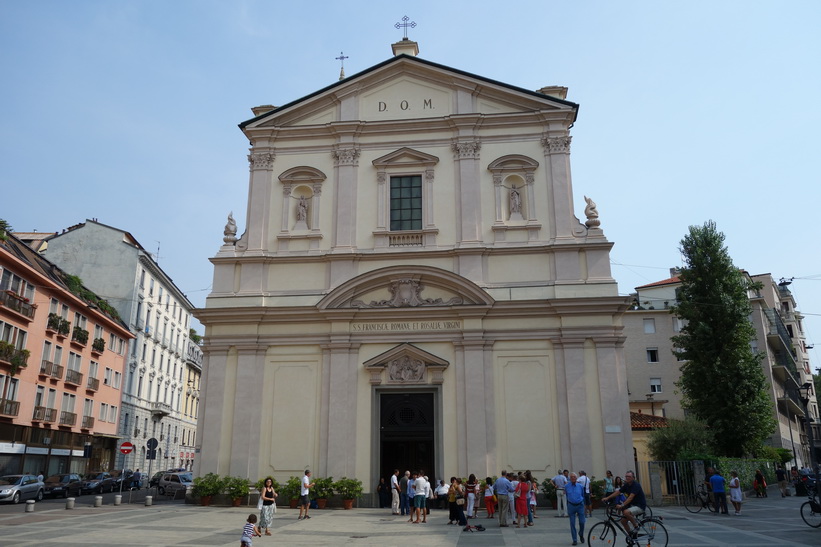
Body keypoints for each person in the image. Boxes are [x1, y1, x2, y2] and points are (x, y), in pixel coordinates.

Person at [603, 470, 645, 537]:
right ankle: (631, 536)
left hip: (639, 506)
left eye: (629, 476)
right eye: (626, 476)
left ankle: (636, 526)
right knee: (623, 521)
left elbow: (630, 497)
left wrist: (622, 505)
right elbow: (618, 492)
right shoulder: (626, 485)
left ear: (633, 477)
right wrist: (608, 498)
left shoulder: (636, 485)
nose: (627, 478)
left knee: (626, 512)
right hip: (632, 506)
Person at [565, 472, 586, 545]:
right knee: (572, 523)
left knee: (582, 522)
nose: (573, 478)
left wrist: (584, 505)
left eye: (574, 477)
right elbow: (567, 495)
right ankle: (574, 539)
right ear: (570, 478)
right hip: (571, 505)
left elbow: (583, 495)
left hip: (580, 505)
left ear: (576, 478)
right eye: (571, 477)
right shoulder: (567, 486)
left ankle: (581, 533)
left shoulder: (580, 486)